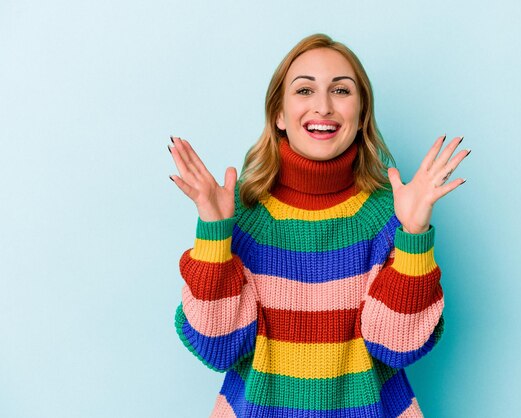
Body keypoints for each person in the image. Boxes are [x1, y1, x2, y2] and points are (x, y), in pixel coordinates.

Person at [168, 33, 470, 417]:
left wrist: (412, 237)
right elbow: (217, 347)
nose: (323, 106)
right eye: (305, 90)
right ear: (278, 114)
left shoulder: (387, 215)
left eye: (341, 91)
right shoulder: (240, 213)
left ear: (361, 116)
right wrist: (213, 233)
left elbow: (397, 345)